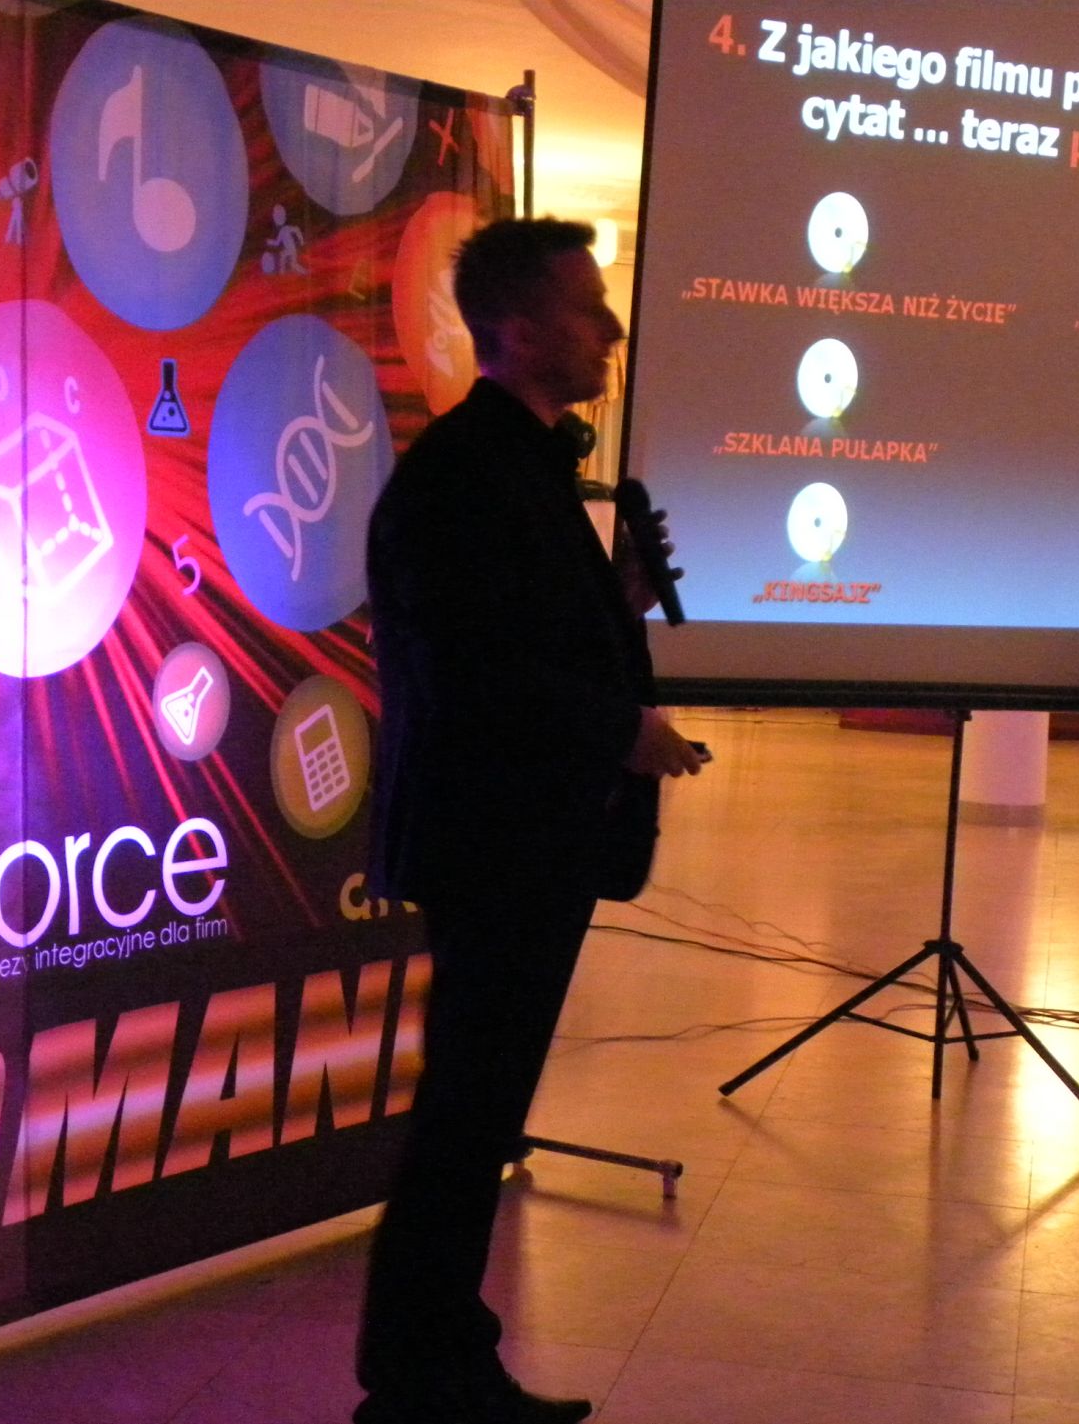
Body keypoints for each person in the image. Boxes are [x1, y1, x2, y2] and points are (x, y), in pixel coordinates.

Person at [356, 217, 702, 1424]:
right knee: (467, 1116)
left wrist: (616, 605)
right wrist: (621, 731)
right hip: (494, 843)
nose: (608, 327)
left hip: (527, 839)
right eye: (583, 307)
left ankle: (445, 1361)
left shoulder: (524, 465)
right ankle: (418, 1381)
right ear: (512, 328)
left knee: (480, 1113)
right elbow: (476, 673)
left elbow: (528, 633)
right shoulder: (465, 475)